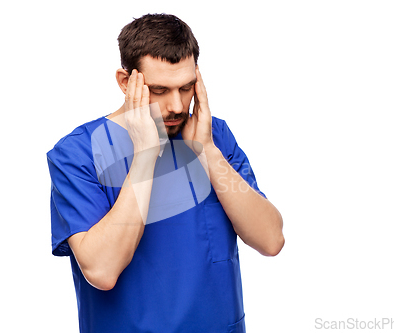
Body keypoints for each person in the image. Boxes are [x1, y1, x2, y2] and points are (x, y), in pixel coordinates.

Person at [47, 13, 284, 333]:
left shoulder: (215, 137)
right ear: (125, 82)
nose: (176, 105)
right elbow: (101, 271)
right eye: (160, 90)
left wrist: (209, 152)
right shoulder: (78, 154)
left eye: (186, 87)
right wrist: (144, 157)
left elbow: (271, 240)